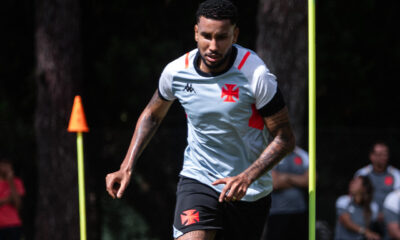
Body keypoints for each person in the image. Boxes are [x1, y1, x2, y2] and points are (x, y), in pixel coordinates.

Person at [105, 0, 295, 239]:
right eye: (206, 36)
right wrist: (126, 166)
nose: (212, 46)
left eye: (222, 37)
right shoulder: (176, 72)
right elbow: (152, 115)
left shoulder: (255, 75)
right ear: (196, 32)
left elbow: (285, 138)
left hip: (249, 191)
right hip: (199, 177)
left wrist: (247, 176)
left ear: (235, 35)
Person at [261, 145, 309, 240]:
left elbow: (311, 181)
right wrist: (299, 180)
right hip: (277, 212)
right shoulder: (272, 153)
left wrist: (286, 178)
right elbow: (275, 183)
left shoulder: (302, 154)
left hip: (299, 210)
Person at [354, 141, 400, 237]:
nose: (383, 157)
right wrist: (372, 213)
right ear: (372, 156)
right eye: (379, 154)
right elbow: (356, 197)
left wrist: (386, 213)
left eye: (385, 154)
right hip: (366, 217)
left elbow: (397, 198)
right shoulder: (362, 174)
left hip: (389, 218)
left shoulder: (395, 174)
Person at [334, 175, 381, 240]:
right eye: (352, 181)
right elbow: (347, 222)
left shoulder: (373, 206)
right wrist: (365, 232)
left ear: (364, 188)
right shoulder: (343, 200)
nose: (351, 183)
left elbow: (375, 225)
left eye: (355, 182)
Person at [0, 158, 25, 240]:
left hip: (13, 225)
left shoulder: (17, 182)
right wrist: (8, 200)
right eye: (3, 165)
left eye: (8, 165)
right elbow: (12, 199)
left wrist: (11, 182)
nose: (6, 168)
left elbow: (18, 205)